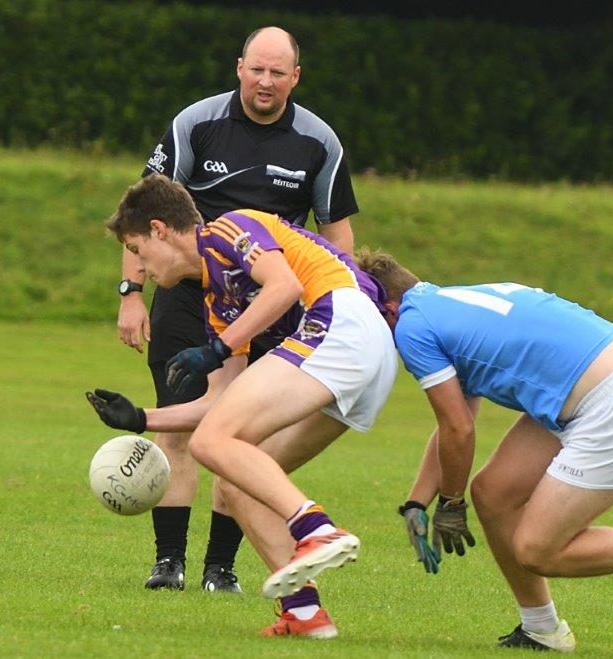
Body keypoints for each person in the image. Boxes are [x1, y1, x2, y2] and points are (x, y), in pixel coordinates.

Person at [356, 249, 613, 651]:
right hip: (607, 384)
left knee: (536, 550)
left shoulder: (411, 327)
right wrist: (417, 503)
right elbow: (459, 421)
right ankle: (542, 628)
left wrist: (451, 504)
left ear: (388, 309)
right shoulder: (443, 304)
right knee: (493, 494)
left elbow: (457, 429)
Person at [89, 174, 397, 637]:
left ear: (159, 229)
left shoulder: (230, 228)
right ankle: (305, 613)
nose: (138, 267)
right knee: (234, 481)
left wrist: (217, 349)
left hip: (342, 319)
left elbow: (284, 287)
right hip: (358, 354)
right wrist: (141, 418)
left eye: (135, 250)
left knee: (213, 443)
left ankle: (316, 529)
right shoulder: (220, 302)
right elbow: (221, 402)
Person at [116, 26, 359, 593]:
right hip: (185, 297)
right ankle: (168, 563)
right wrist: (131, 294)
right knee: (179, 426)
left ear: (295, 77)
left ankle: (220, 570)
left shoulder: (318, 142)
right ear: (239, 68)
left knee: (239, 434)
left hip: (271, 307)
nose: (266, 82)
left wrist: (329, 303)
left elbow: (338, 236)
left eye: (278, 72)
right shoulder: (195, 124)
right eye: (257, 69)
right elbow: (141, 212)